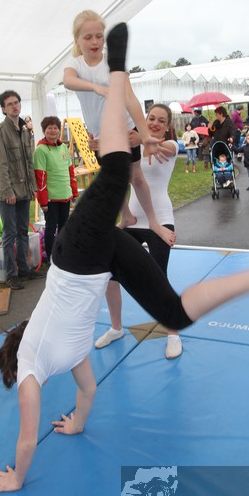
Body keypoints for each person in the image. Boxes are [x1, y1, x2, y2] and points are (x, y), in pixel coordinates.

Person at [0, 23, 249, 495]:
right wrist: (77, 423)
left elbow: (28, 439)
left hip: (75, 253)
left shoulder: (33, 370)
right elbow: (87, 392)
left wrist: (17, 477)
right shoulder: (66, 354)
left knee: (117, 168)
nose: (22, 389)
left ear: (16, 367)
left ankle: (117, 68)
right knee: (172, 314)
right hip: (100, 259)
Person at [63, 10, 175, 247]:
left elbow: (130, 99)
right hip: (100, 135)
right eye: (88, 37)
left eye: (99, 36)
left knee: (136, 177)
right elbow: (68, 81)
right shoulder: (75, 64)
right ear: (77, 40)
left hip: (124, 128)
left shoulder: (112, 64)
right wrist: (96, 87)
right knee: (110, 179)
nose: (95, 42)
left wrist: (144, 134)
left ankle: (153, 222)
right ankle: (126, 216)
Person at [94, 103, 183, 360]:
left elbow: (162, 146)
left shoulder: (169, 146)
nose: (155, 123)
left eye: (161, 121)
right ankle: (116, 328)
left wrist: (141, 138)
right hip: (132, 220)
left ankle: (173, 333)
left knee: (159, 278)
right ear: (144, 119)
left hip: (160, 221)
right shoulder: (132, 147)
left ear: (167, 126)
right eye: (151, 118)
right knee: (110, 275)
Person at [0, 90, 45, 290]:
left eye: (16, 103)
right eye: (10, 104)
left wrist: (32, 187)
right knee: (10, 233)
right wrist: (8, 192)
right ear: (3, 109)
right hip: (8, 193)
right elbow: (0, 164)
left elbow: (28, 162)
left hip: (23, 190)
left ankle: (24, 269)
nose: (14, 106)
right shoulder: (0, 132)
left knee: (23, 231)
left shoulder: (24, 130)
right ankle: (11, 275)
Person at [33, 116, 79, 259]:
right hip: (51, 198)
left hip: (65, 195)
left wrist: (74, 192)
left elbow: (70, 172)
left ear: (59, 130)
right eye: (49, 128)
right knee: (51, 228)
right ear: (43, 131)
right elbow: (40, 177)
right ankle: (51, 257)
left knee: (64, 227)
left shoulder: (63, 147)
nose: (52, 131)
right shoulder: (40, 150)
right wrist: (43, 202)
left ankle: (63, 254)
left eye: (55, 128)